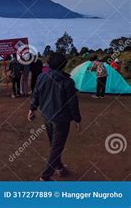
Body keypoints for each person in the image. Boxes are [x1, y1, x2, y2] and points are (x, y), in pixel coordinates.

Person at [28, 52, 81, 181]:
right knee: (57, 146)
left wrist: (32, 109)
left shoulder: (41, 77)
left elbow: (36, 94)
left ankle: (59, 167)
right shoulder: (67, 82)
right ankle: (45, 177)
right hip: (61, 120)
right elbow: (72, 102)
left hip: (46, 116)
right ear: (64, 65)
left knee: (54, 144)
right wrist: (77, 119)